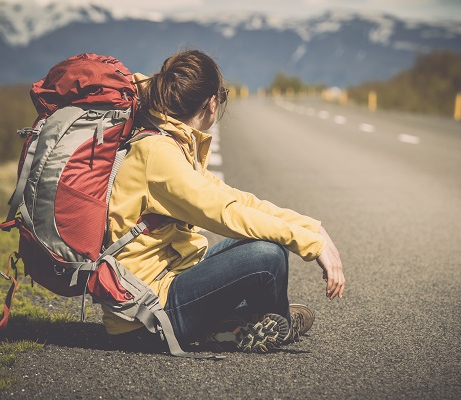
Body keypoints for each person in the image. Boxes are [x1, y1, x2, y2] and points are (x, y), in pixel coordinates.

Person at [103, 49, 345, 353]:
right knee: (266, 256)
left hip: (169, 283)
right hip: (147, 315)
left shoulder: (169, 142)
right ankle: (271, 323)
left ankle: (239, 324)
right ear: (211, 102)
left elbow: (237, 199)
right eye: (223, 95)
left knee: (269, 243)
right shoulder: (158, 154)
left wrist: (312, 229)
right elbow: (225, 213)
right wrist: (310, 246)